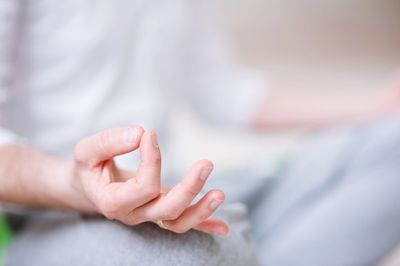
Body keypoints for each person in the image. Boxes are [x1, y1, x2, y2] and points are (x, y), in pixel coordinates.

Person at [1, 0, 400, 265]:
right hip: (55, 212)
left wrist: (377, 107)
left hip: (178, 189)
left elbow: (224, 92)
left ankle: (234, 245)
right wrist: (77, 183)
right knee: (196, 251)